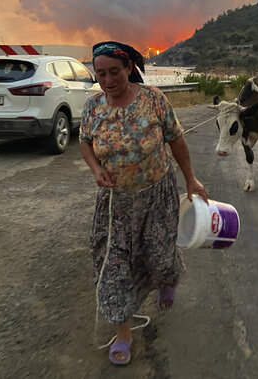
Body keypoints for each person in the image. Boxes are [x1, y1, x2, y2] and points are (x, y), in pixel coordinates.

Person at [80, 40, 208, 366]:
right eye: (100, 74)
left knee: (159, 253)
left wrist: (191, 178)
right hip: (115, 205)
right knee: (112, 266)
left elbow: (176, 138)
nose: (108, 80)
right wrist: (96, 169)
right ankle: (124, 331)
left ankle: (167, 279)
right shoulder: (93, 107)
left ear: (128, 69)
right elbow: (85, 143)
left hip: (157, 194)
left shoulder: (153, 99)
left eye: (114, 72)